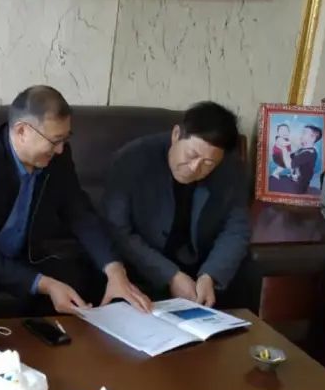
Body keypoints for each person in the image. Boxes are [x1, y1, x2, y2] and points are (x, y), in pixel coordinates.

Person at [0, 86, 151, 320]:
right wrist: (46, 284)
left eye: (65, 138)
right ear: (22, 131)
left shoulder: (57, 156)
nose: (61, 150)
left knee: (83, 277)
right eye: (55, 141)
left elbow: (79, 212)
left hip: (16, 254)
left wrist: (114, 270)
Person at [103, 101, 250, 309]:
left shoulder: (231, 168)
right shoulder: (132, 160)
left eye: (208, 163)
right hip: (142, 269)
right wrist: (170, 275)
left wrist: (211, 275)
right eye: (191, 155)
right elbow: (118, 230)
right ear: (176, 135)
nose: (195, 168)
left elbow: (236, 228)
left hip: (199, 272)